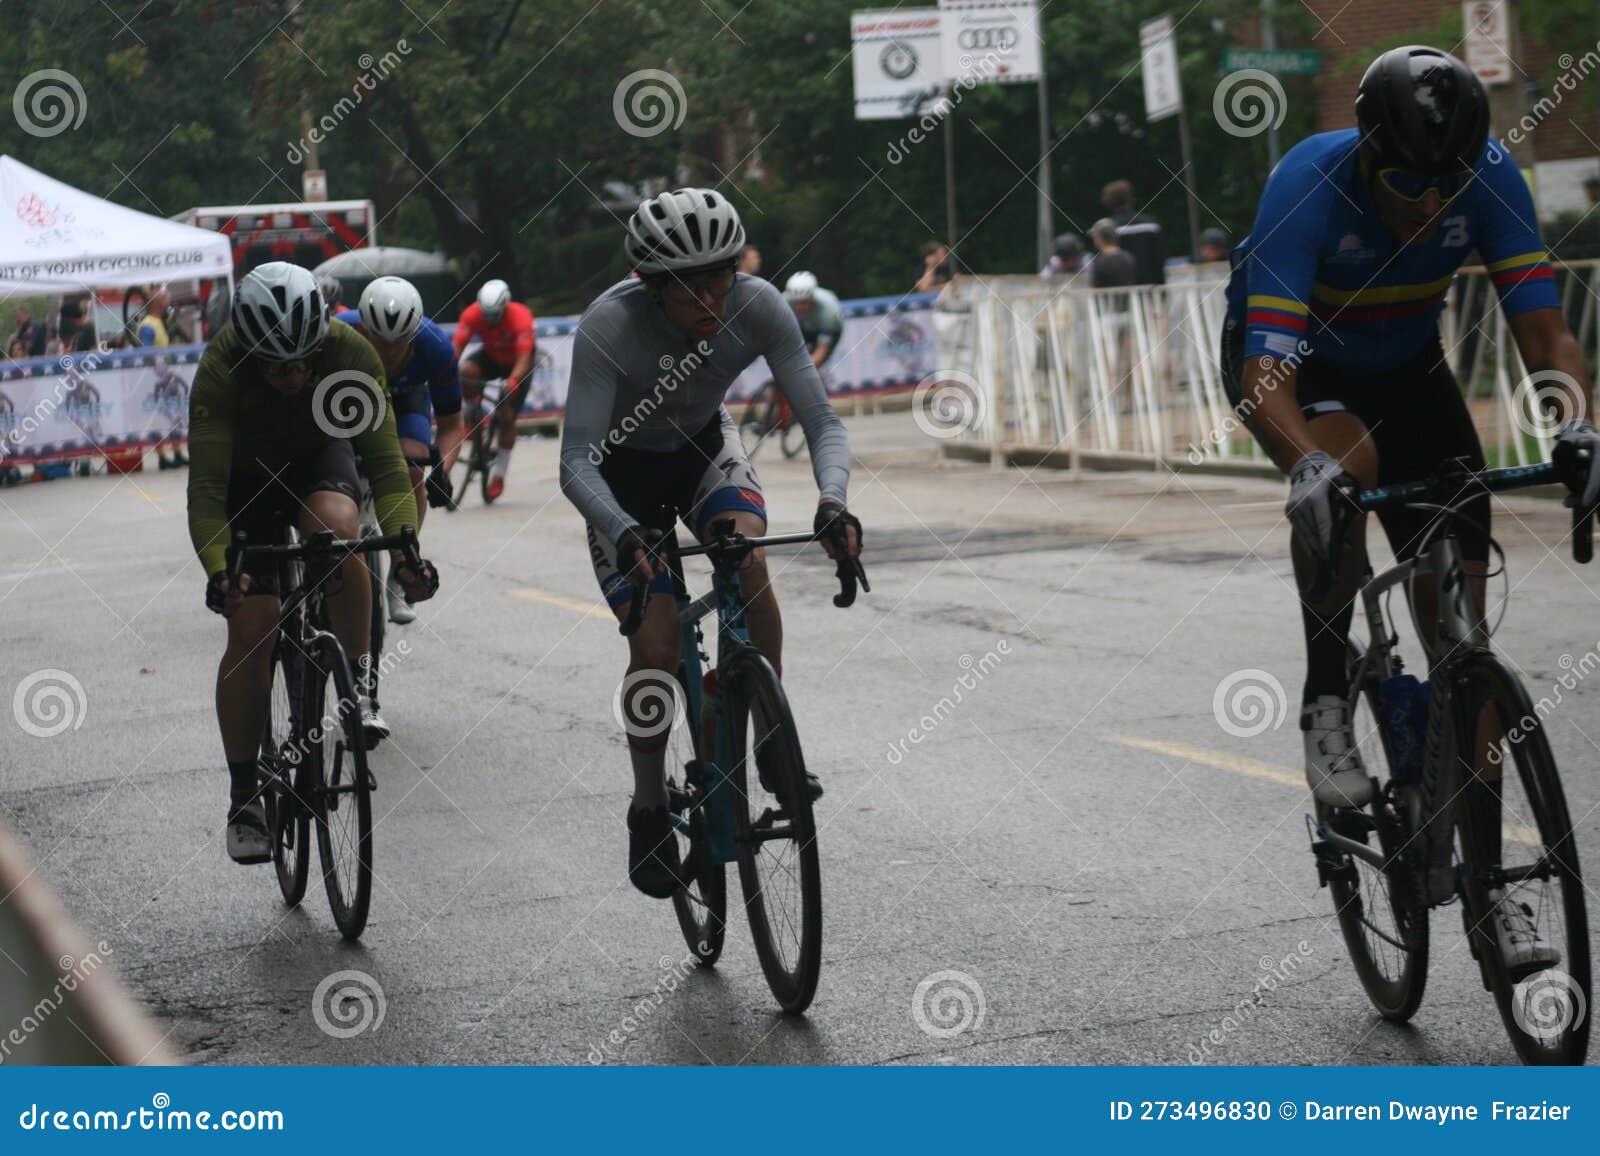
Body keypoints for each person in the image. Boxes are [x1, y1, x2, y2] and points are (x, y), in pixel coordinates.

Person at [1221, 46, 1600, 968]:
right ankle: (1324, 697)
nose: (1429, 203)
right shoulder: (1306, 186)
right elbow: (1265, 370)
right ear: (1365, 149)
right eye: (1404, 179)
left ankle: (1490, 887)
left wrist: (1580, 427)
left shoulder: (1489, 174)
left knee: (1460, 637)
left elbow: (1543, 330)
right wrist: (1304, 466)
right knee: (1340, 484)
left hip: (1407, 367)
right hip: (1298, 370)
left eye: (1448, 184)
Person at [559, 187, 861, 899]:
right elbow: (575, 462)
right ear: (652, 288)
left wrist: (833, 502)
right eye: (691, 289)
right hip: (622, 479)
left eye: (720, 279)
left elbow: (823, 422)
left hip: (700, 451)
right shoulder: (610, 326)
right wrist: (625, 532)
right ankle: (647, 804)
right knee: (658, 646)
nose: (711, 302)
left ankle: (768, 741)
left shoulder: (758, 304)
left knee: (747, 561)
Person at [186, 262, 439, 864]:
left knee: (342, 533)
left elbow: (384, 461)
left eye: (304, 360)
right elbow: (207, 495)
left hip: (318, 457)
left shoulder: (349, 351)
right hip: (246, 478)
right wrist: (222, 570)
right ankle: (244, 791)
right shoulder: (222, 370)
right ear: (252, 353)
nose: (296, 376)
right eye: (279, 367)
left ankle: (355, 689)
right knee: (252, 626)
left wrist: (405, 547)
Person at [339, 276, 466, 624]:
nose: (391, 351)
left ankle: (400, 569)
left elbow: (452, 423)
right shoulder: (338, 334)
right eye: (380, 340)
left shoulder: (436, 347)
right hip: (353, 399)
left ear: (415, 333)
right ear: (364, 328)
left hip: (407, 399)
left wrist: (442, 469)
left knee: (412, 469)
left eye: (400, 342)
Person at [452, 278, 535, 501]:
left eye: (495, 316)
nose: (489, 321)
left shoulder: (520, 317)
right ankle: (472, 415)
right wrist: (447, 370)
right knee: (465, 372)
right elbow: (457, 347)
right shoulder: (471, 314)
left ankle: (499, 475)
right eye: (486, 316)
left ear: (505, 307)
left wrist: (514, 381)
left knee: (507, 417)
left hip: (517, 363)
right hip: (491, 356)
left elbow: (524, 356)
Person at [136, 286, 188, 470]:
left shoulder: (160, 321)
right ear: (157, 302)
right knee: (159, 417)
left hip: (167, 377)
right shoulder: (149, 325)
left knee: (173, 414)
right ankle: (162, 457)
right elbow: (146, 353)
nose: (169, 299)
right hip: (155, 378)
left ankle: (177, 453)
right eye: (166, 296)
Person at [1101, 179, 1166, 285]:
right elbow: (1160, 258)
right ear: (1131, 199)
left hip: (1122, 293)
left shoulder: (1107, 230)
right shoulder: (1152, 225)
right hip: (1152, 290)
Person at [782, 271, 843, 370]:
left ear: (812, 297)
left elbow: (822, 350)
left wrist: (801, 372)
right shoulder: (783, 301)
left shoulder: (829, 309)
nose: (799, 307)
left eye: (804, 302)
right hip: (804, 326)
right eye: (796, 302)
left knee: (813, 365)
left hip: (828, 328)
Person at [1088, 220, 1136, 289]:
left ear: (1099, 238)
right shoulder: (1128, 257)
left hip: (1106, 299)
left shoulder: (1099, 261)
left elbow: (1095, 287)